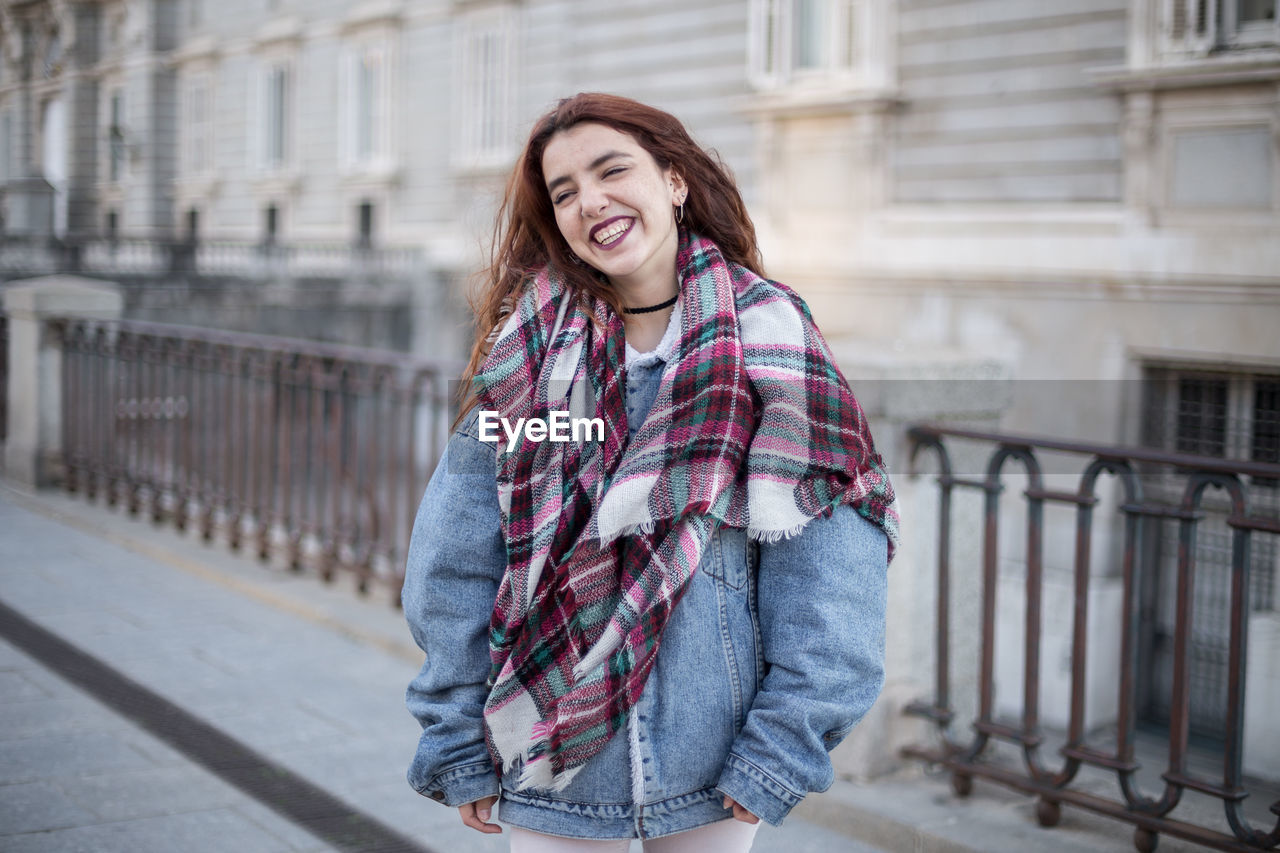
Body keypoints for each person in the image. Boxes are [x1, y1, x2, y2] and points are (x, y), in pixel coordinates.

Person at [403, 93, 899, 853]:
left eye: (611, 170)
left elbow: (831, 574)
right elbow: (456, 558)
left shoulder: (773, 343)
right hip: (546, 755)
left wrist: (779, 750)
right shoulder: (527, 356)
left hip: (716, 765)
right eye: (564, 192)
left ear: (673, 179)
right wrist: (455, 737)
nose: (589, 200)